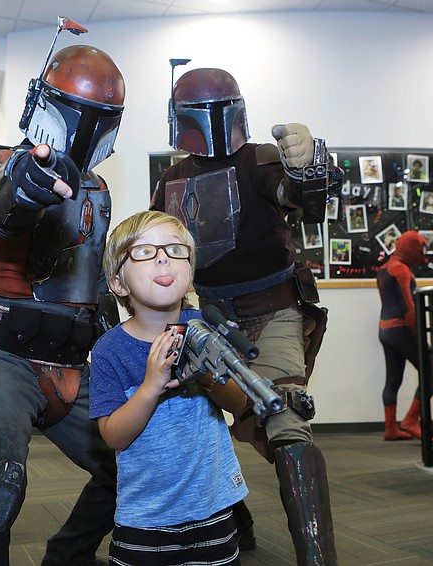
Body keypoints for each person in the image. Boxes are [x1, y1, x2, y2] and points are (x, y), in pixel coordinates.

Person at [0, 35, 125, 566]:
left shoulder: (97, 189)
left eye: (102, 116)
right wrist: (27, 183)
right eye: (79, 113)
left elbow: (87, 279)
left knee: (135, 464)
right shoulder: (1, 163)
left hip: (71, 361)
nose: (88, 129)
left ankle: (66, 557)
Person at [151, 67, 340, 565]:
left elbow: (297, 196)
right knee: (187, 423)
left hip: (271, 313)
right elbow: (157, 243)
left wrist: (307, 168)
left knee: (286, 420)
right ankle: (233, 526)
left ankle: (317, 558)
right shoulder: (172, 177)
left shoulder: (259, 159)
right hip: (204, 320)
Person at [90, 210, 250, 565]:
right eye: (145, 252)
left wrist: (206, 375)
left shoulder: (206, 327)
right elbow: (114, 436)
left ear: (190, 272)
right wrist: (150, 386)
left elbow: (239, 404)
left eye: (176, 250)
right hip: (144, 517)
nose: (163, 257)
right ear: (118, 283)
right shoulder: (110, 350)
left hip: (213, 507)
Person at [376, 230, 426, 441]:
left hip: (385, 330)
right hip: (401, 329)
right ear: (412, 248)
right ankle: (411, 420)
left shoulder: (384, 269)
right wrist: (418, 335)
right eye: (421, 249)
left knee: (393, 380)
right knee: (432, 372)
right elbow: (410, 308)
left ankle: (391, 428)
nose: (423, 255)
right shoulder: (402, 270)